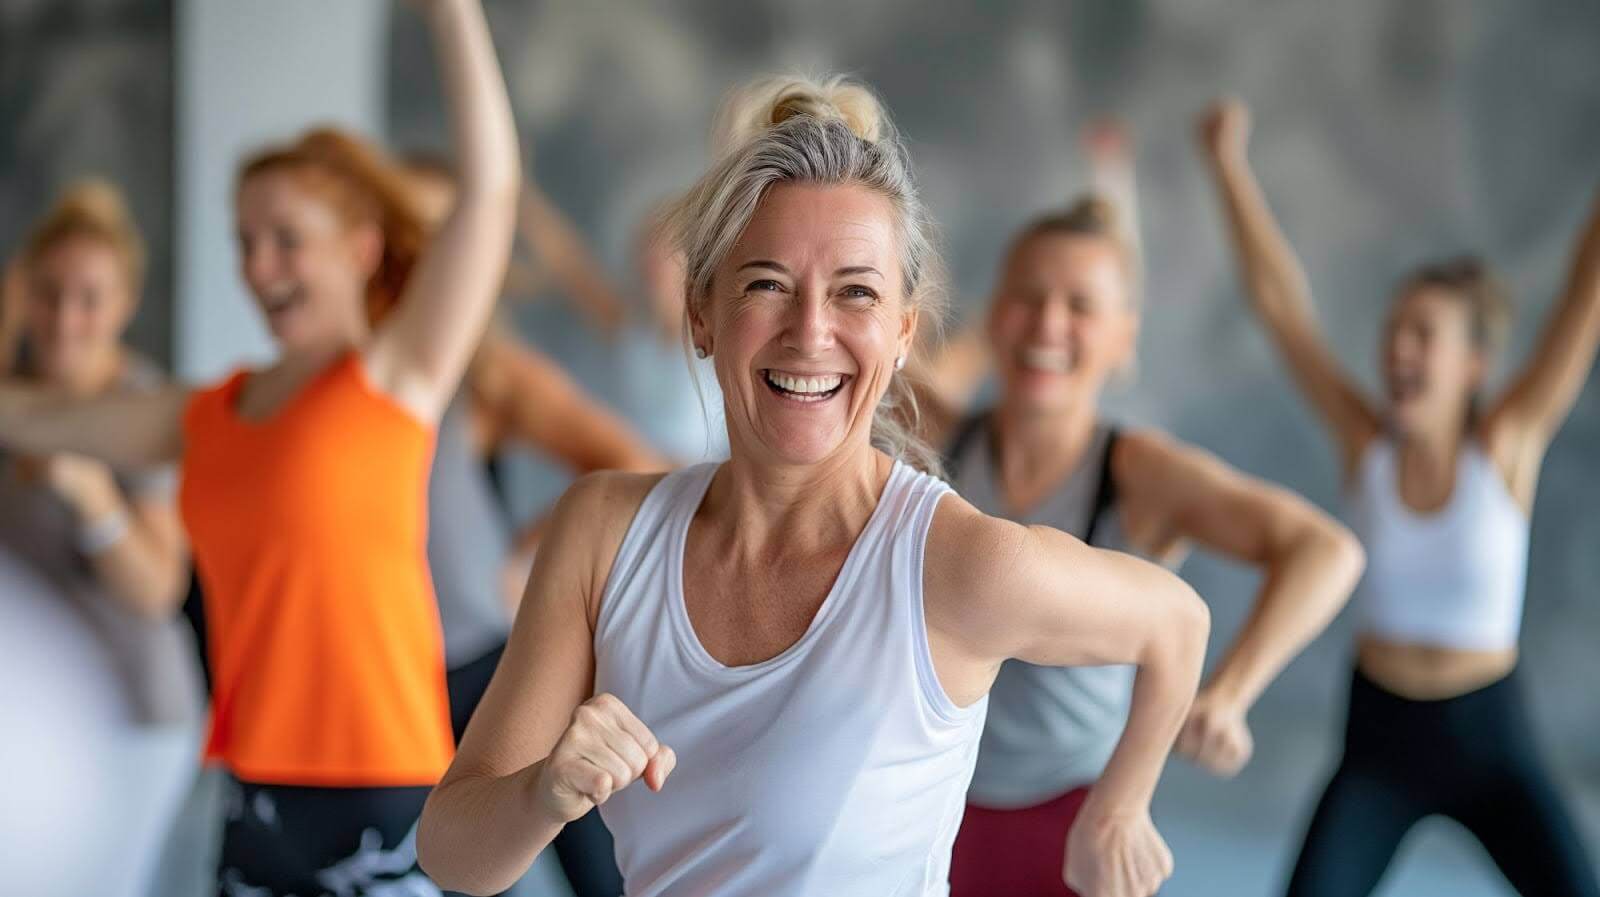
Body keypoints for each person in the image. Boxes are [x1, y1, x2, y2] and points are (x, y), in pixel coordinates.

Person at [416, 73, 1210, 897]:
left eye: (855, 293)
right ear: (701, 312)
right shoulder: (602, 531)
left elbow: (1178, 622)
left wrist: (1118, 809)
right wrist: (541, 793)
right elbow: (452, 850)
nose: (810, 332)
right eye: (766, 284)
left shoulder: (956, 563)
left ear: (903, 333)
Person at [0, 1, 519, 893]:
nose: (257, 268)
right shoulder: (208, 411)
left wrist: (451, 15)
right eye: (245, 242)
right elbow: (31, 416)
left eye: (286, 241)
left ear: (360, 249)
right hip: (251, 789)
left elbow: (492, 191)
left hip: (387, 787)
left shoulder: (397, 376)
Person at [938, 128, 1366, 897]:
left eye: (1080, 306)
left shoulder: (1138, 473)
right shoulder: (937, 433)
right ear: (994, 317)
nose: (1047, 324)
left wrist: (1230, 690)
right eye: (1028, 299)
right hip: (937, 803)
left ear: (1122, 339)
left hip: (1076, 818)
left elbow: (1325, 550)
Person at [1198, 97, 1600, 897]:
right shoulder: (1365, 445)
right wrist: (1228, 168)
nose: (1397, 349)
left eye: (1423, 335)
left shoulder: (1508, 445)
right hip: (1380, 743)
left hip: (1492, 741)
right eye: (1393, 333)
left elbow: (1583, 302)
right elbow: (1284, 310)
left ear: (1472, 367)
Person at [404, 158, 666, 897]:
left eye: (440, 235)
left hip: (481, 661)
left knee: (590, 868)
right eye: (407, 235)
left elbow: (629, 461)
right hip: (392, 674)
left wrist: (532, 546)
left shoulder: (487, 370)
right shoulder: (355, 375)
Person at [0, 179, 202, 897]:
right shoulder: (12, 391)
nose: (63, 318)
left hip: (132, 715)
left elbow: (158, 590)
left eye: (89, 297)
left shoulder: (142, 408)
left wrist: (87, 490)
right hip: (29, 710)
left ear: (125, 305)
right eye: (46, 291)